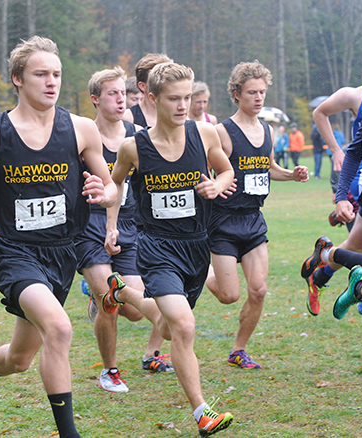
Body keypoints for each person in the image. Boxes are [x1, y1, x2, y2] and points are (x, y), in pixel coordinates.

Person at [0, 36, 116, 438]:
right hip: (13, 251)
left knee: (19, 358)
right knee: (59, 327)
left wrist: (101, 192)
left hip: (62, 252)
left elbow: (112, 189)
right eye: (41, 74)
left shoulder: (81, 129)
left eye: (56, 74)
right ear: (18, 79)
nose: (51, 82)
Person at [104, 62, 235, 436]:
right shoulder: (133, 147)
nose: (183, 106)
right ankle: (202, 412)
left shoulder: (205, 134)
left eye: (188, 98)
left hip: (196, 247)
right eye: (174, 99)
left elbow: (227, 171)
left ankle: (121, 292)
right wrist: (110, 224)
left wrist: (217, 184)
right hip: (156, 247)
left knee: (163, 321)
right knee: (182, 324)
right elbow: (115, 188)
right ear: (151, 98)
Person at [205, 61, 309, 369]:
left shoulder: (267, 130)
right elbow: (205, 170)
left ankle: (239, 349)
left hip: (252, 220)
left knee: (259, 290)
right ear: (237, 94)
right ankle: (205, 275)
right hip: (222, 222)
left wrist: (292, 174)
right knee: (228, 296)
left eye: (262, 92)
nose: (259, 98)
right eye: (252, 92)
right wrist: (213, 185)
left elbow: (269, 168)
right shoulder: (221, 132)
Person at [75, 66, 172, 394]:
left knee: (135, 308)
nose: (121, 100)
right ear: (95, 99)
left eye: (123, 93)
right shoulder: (83, 136)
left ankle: (95, 292)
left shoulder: (138, 135)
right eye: (112, 94)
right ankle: (110, 371)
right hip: (89, 226)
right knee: (110, 303)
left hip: (128, 225)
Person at [304, 46, 362, 316]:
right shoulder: (355, 95)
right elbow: (320, 113)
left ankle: (323, 270)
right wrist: (335, 149)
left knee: (359, 243)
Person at [123, 53, 172, 128]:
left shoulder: (177, 116)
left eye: (168, 79)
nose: (164, 84)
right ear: (142, 86)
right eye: (157, 80)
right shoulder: (128, 119)